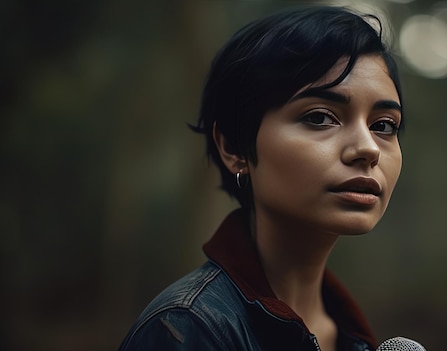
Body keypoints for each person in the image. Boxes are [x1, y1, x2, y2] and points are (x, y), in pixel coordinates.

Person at [119, 5, 403, 351]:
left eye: (384, 125)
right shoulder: (187, 330)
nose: (368, 148)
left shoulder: (352, 337)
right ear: (235, 147)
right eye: (319, 117)